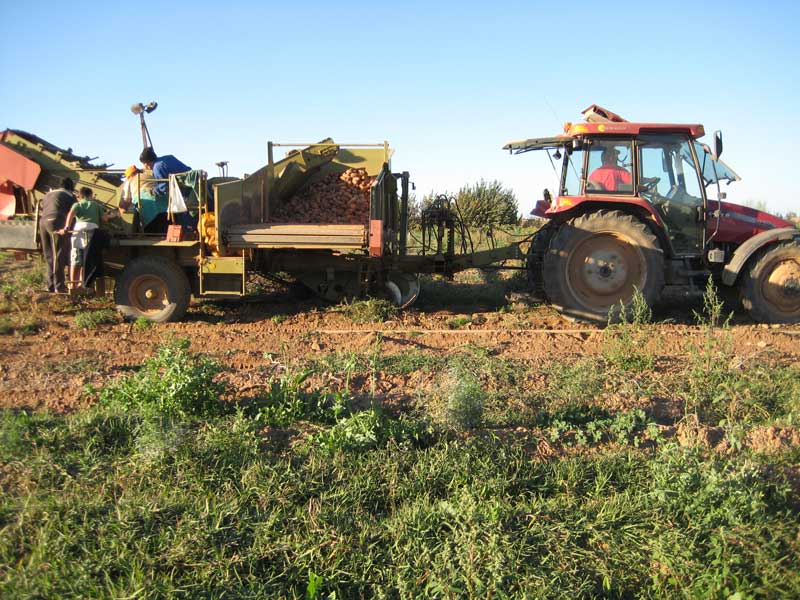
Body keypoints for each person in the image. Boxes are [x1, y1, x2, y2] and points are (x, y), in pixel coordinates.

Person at [57, 187, 116, 292]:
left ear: (80, 195)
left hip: (78, 231)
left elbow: (71, 214)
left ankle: (73, 286)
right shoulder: (96, 205)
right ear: (90, 195)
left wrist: (66, 227)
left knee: (75, 258)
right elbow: (104, 219)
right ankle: (83, 285)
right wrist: (112, 215)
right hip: (92, 232)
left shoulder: (77, 204)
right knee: (87, 259)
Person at [139, 147, 192, 233]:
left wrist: (153, 191)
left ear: (146, 163)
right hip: (193, 185)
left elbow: (163, 187)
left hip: (184, 192)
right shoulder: (168, 157)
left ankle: (187, 233)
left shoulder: (157, 168)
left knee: (182, 214)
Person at [38, 177, 76, 292]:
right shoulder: (69, 195)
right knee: (59, 255)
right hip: (56, 221)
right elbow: (75, 211)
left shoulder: (48, 194)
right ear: (71, 187)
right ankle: (59, 287)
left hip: (43, 223)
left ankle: (50, 286)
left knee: (49, 255)